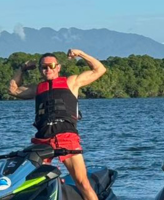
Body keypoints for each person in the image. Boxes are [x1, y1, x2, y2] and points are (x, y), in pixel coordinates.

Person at [7, 49, 107, 200]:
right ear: (40, 69)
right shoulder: (37, 88)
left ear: (58, 67)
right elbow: (13, 90)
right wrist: (22, 68)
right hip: (42, 141)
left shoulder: (71, 82)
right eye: (44, 67)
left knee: (82, 182)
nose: (48, 69)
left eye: (51, 65)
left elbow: (100, 69)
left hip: (66, 138)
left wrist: (80, 54)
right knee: (30, 183)